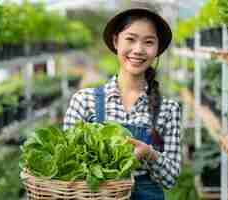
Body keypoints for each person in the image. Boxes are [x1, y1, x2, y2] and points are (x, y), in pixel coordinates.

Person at [63, 4, 181, 200]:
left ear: (157, 49)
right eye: (131, 39)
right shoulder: (84, 101)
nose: (138, 50)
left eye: (148, 42)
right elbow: (68, 166)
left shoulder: (168, 110)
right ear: (116, 41)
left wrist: (149, 154)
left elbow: (170, 179)